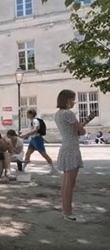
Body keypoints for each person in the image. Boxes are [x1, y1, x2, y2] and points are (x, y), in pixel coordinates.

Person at [55, 89, 95, 222]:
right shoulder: (68, 113)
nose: (74, 102)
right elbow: (81, 131)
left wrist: (86, 121)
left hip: (66, 147)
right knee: (70, 183)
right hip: (72, 149)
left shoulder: (59, 114)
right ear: (67, 100)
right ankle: (68, 213)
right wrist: (84, 125)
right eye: (73, 99)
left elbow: (74, 131)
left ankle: (65, 211)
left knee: (67, 182)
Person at [22, 109, 58, 175]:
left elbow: (36, 129)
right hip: (33, 140)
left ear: (31, 114)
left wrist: (27, 134)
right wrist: (29, 135)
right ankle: (23, 168)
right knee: (28, 153)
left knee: (44, 154)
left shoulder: (35, 121)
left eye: (28, 114)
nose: (27, 115)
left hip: (37, 139)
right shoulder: (32, 121)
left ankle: (53, 168)